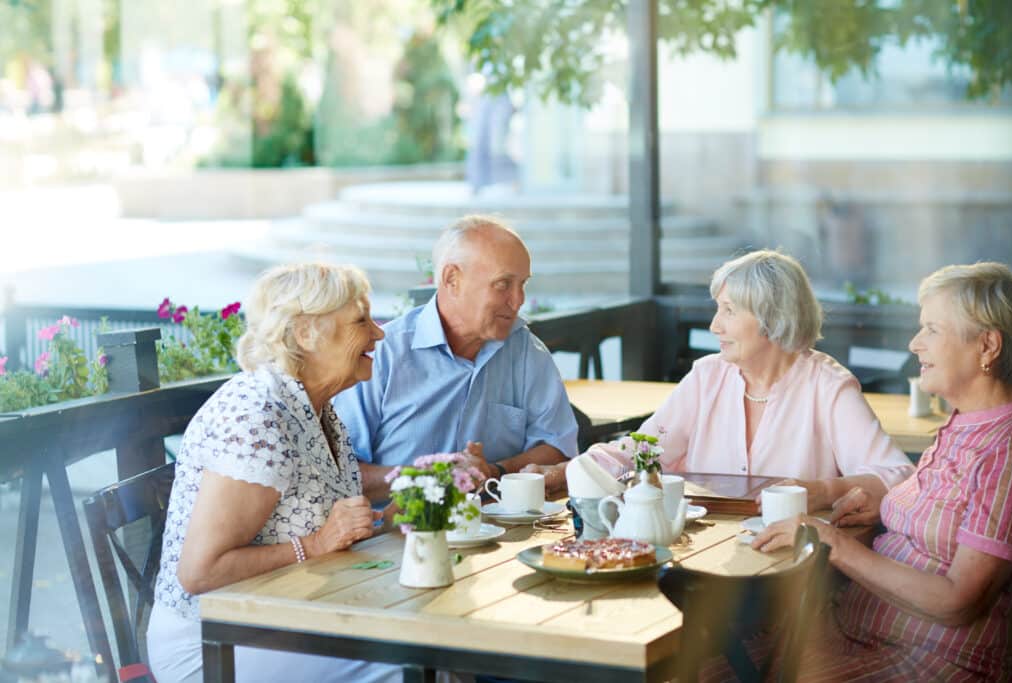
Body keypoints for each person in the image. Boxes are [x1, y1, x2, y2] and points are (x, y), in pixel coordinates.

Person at [755, 262, 1012, 680]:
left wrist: (830, 541)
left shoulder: (1010, 448)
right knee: (702, 656)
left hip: (932, 661)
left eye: (932, 329)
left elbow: (958, 602)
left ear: (987, 346)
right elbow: (948, 516)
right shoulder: (962, 424)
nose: (915, 344)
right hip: (858, 633)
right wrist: (882, 505)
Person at [147, 263, 399, 683]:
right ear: (305, 333)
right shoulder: (257, 414)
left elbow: (314, 524)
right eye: (360, 320)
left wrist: (383, 520)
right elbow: (200, 573)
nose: (378, 333)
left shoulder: (315, 407)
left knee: (429, 656)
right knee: (404, 669)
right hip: (213, 643)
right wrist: (317, 545)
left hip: (289, 618)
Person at [526, 249, 913, 513]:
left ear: (771, 317)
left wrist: (825, 492)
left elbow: (897, 477)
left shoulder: (826, 386)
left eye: (729, 311)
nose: (715, 326)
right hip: (703, 549)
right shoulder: (708, 376)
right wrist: (561, 473)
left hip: (792, 564)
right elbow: (641, 449)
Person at [334, 215, 578, 502]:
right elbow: (341, 475)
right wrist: (430, 478)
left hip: (497, 530)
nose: (519, 300)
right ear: (452, 279)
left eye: (522, 284)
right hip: (399, 537)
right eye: (503, 284)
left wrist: (495, 471)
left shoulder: (525, 350)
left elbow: (557, 445)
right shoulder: (383, 354)